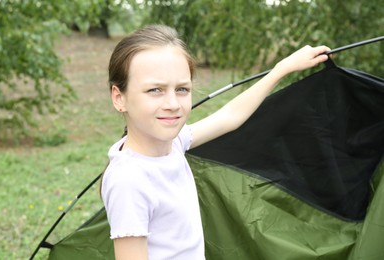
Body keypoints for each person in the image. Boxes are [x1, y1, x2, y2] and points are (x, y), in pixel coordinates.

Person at [101, 24, 330, 260]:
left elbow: (230, 116)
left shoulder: (174, 144)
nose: (173, 103)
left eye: (181, 89)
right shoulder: (129, 179)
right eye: (155, 90)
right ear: (120, 98)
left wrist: (283, 68)